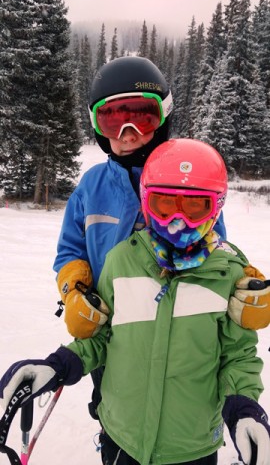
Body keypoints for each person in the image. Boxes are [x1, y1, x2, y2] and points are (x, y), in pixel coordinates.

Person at [0, 138, 269, 465]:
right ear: (145, 202)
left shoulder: (228, 275)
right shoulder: (121, 261)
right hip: (122, 436)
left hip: (192, 445)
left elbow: (238, 355)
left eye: (195, 207)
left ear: (217, 207)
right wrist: (58, 366)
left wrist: (244, 409)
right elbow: (101, 338)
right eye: (164, 205)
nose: (178, 222)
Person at [52, 56, 270, 455]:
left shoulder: (184, 179)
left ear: (163, 118)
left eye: (142, 119)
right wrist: (76, 289)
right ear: (98, 127)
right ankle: (115, 433)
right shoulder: (92, 187)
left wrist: (244, 281)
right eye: (113, 121)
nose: (129, 133)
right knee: (114, 392)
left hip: (177, 327)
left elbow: (212, 244)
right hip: (109, 322)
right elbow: (69, 248)